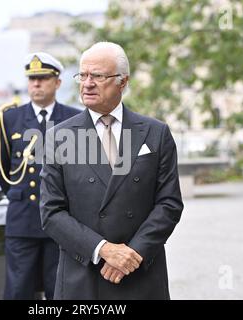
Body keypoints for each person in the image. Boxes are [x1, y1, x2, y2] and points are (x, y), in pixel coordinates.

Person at [40, 42, 184, 299]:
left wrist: (132, 254)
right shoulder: (58, 137)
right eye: (82, 75)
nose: (87, 84)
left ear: (122, 82)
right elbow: (51, 213)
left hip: (141, 274)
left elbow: (169, 203)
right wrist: (104, 249)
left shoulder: (155, 132)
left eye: (97, 76)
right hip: (83, 278)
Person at [0, 52, 80, 300]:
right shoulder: (9, 119)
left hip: (62, 221)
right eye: (32, 79)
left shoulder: (74, 118)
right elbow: (1, 170)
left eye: (42, 78)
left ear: (57, 82)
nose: (36, 84)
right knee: (18, 290)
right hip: (22, 221)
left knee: (59, 291)